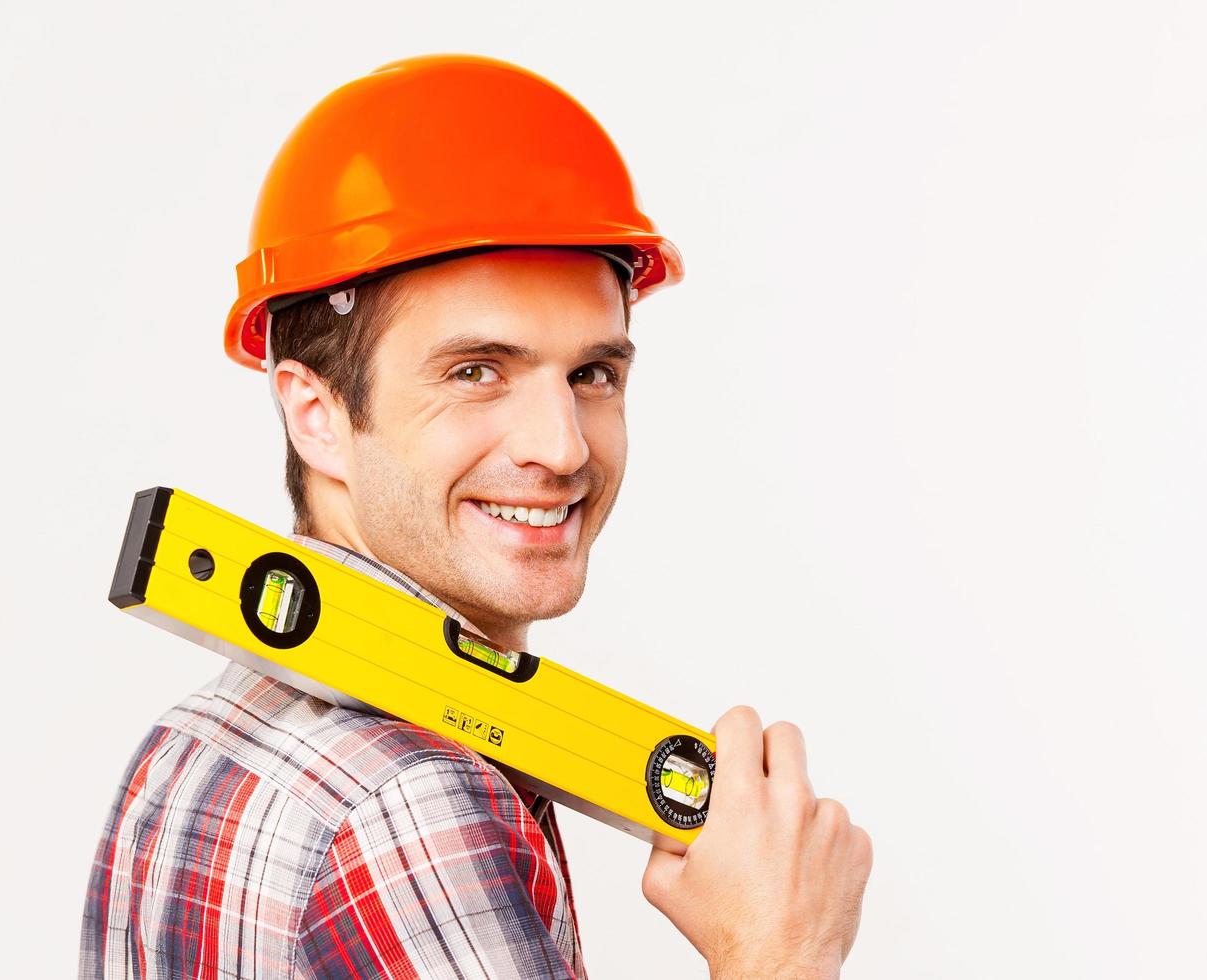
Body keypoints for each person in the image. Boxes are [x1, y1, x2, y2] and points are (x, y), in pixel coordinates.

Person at [81, 54, 872, 979]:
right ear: (318, 416)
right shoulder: (415, 803)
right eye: (475, 371)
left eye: (592, 375)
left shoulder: (200, 733)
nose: (565, 447)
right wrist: (778, 951)